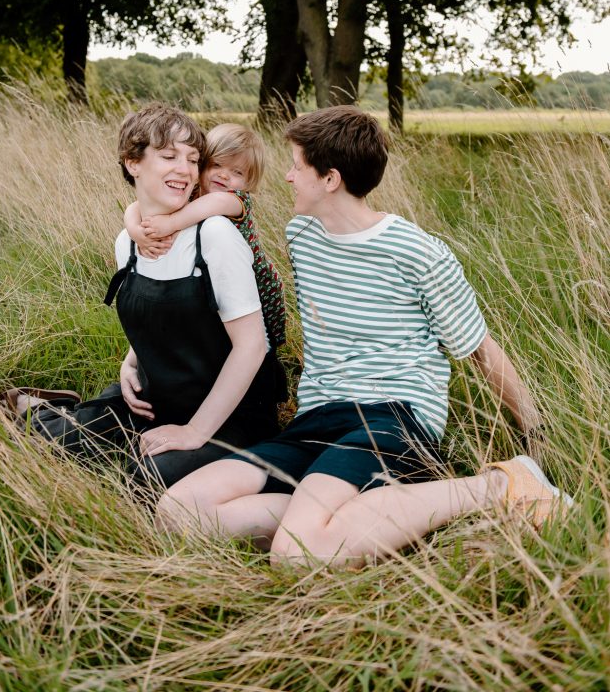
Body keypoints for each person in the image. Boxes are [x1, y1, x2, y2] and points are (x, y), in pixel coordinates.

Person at [158, 105, 572, 567]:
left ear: (330, 179)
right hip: (317, 419)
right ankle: (350, 518)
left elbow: (480, 349)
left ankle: (502, 485)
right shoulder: (302, 234)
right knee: (179, 512)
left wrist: (534, 429)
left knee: (297, 557)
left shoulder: (418, 252)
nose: (288, 177)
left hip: (392, 417)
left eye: (297, 166)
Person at [8, 103, 281, 489]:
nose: (185, 170)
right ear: (133, 162)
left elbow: (252, 346)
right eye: (169, 156)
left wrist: (194, 431)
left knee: (147, 479)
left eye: (192, 159)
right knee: (52, 441)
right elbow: (158, 319)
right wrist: (131, 362)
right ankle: (45, 406)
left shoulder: (215, 234)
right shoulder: (129, 241)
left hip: (227, 413)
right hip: (156, 397)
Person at [124, 122, 286, 351]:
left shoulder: (235, 200)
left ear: (248, 182)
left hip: (258, 287)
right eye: (217, 164)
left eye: (237, 172)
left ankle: (264, 356)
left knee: (252, 336)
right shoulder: (191, 192)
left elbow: (214, 203)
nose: (224, 175)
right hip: (209, 289)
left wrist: (170, 223)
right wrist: (135, 231)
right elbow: (135, 207)